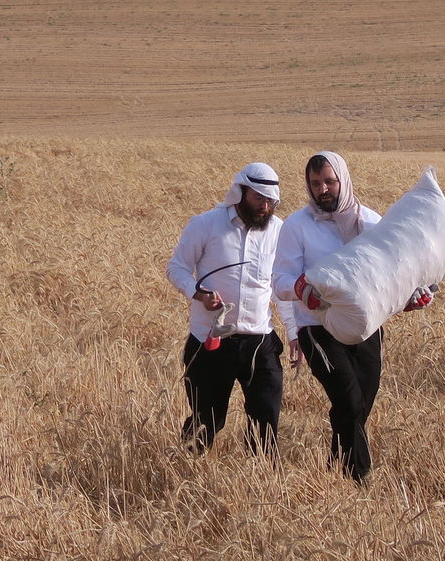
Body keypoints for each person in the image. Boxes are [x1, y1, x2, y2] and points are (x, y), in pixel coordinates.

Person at [274, 151, 430, 482]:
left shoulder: (371, 223)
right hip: (317, 328)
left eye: (330, 181)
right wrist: (301, 288)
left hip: (366, 326)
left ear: (343, 180)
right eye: (316, 184)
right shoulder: (296, 226)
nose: (323, 189)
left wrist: (412, 296)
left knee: (360, 405)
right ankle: (360, 479)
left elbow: (392, 275)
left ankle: (335, 464)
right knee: (349, 399)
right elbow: (280, 280)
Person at [167, 163, 300, 458]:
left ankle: (260, 482)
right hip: (210, 342)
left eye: (270, 201)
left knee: (265, 420)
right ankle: (185, 469)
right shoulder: (205, 225)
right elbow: (176, 268)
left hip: (259, 341)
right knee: (207, 420)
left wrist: (294, 334)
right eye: (258, 199)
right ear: (240, 192)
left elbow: (283, 289)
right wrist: (198, 294)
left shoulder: (280, 232)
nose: (264, 207)